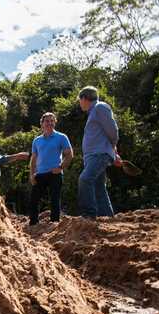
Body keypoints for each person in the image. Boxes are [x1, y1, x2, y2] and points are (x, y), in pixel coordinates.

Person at [77, 86, 122, 218]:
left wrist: (112, 150)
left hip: (99, 155)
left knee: (84, 180)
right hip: (94, 156)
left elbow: (113, 131)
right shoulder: (93, 112)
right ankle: (107, 217)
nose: (80, 104)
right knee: (99, 187)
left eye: (80, 100)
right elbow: (104, 135)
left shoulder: (100, 107)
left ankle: (89, 215)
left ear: (84, 98)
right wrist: (113, 152)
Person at [28, 112, 73, 225]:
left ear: (55, 123)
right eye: (47, 121)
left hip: (55, 173)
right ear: (42, 124)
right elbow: (33, 159)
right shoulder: (37, 140)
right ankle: (33, 224)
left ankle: (54, 223)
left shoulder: (61, 137)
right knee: (34, 200)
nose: (50, 123)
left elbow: (69, 155)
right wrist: (32, 174)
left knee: (55, 199)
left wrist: (61, 167)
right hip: (40, 174)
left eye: (52, 121)